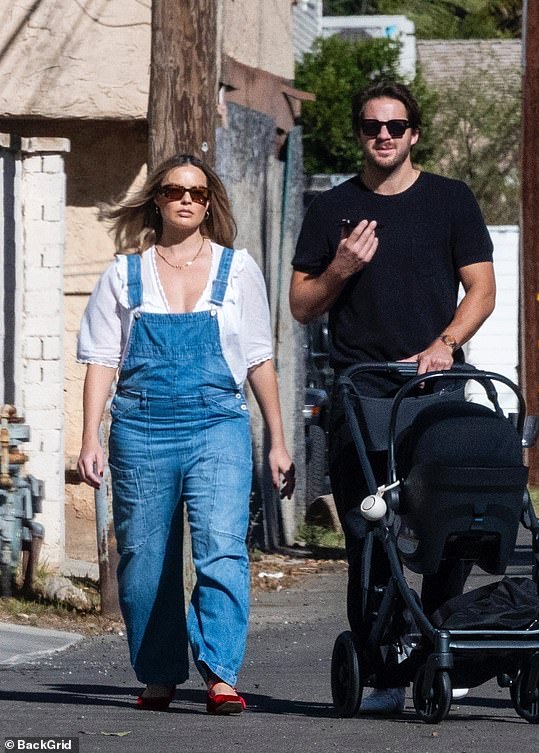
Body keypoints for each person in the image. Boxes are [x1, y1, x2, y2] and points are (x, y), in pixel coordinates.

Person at [289, 81, 495, 714]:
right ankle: (383, 668)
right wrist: (341, 270)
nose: (384, 135)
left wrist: (447, 343)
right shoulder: (332, 209)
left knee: (448, 525)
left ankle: (435, 645)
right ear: (360, 134)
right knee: (370, 534)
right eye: (372, 126)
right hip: (362, 392)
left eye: (396, 126)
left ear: (415, 134)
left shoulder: (450, 200)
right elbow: (301, 305)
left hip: (436, 387)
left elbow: (482, 289)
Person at [77, 153, 295, 715]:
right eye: (176, 190)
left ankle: (221, 673)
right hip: (140, 425)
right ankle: (158, 674)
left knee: (221, 548)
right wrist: (90, 437)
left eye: (198, 193)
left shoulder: (237, 268)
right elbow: (102, 360)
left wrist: (277, 438)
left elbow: (257, 358)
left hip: (217, 423)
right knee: (145, 558)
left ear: (209, 202)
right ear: (158, 199)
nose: (187, 200)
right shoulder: (124, 275)